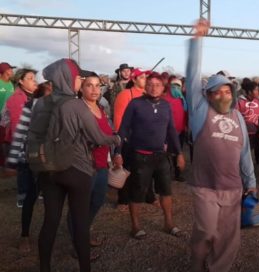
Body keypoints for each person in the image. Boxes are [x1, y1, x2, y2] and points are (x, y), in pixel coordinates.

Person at [37, 58, 120, 272]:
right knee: (81, 221)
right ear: (67, 78)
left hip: (48, 170)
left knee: (50, 221)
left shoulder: (41, 103)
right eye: (79, 77)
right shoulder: (75, 105)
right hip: (76, 169)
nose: (81, 81)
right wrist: (117, 138)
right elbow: (98, 137)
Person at [186, 19, 256, 272]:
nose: (224, 94)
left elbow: (245, 153)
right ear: (208, 95)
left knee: (228, 234)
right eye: (218, 91)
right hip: (205, 186)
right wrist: (197, 41)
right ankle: (199, 255)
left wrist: (250, 182)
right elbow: (192, 76)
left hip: (232, 187)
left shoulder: (238, 117)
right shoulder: (201, 112)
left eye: (228, 90)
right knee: (206, 229)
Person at [118, 72, 186, 239]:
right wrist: (117, 152)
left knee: (166, 191)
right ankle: (135, 226)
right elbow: (123, 129)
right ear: (145, 86)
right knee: (137, 193)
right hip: (140, 157)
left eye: (157, 85)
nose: (153, 87)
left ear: (163, 88)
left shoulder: (166, 105)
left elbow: (171, 130)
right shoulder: (135, 104)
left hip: (161, 156)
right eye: (150, 84)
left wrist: (179, 153)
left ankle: (169, 223)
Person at [67, 74, 122, 256]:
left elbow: (109, 132)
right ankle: (78, 242)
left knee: (97, 201)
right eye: (89, 85)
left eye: (97, 85)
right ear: (81, 89)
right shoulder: (77, 109)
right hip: (83, 166)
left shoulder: (101, 109)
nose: (94, 90)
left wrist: (115, 153)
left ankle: (83, 232)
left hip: (101, 165)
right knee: (79, 206)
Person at [5, 69, 39, 252]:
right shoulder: (19, 100)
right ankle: (24, 235)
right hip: (27, 156)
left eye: (35, 79)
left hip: (42, 157)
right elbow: (20, 131)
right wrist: (12, 161)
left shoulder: (36, 100)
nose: (35, 82)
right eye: (30, 79)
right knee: (29, 196)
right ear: (20, 82)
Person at [113, 68, 149, 211]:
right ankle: (123, 199)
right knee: (126, 170)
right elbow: (118, 118)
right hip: (128, 139)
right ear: (134, 79)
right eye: (142, 77)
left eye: (145, 77)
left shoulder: (147, 95)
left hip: (144, 139)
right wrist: (121, 138)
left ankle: (146, 196)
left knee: (143, 170)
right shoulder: (125, 94)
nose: (145, 80)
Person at [164, 77, 188, 182]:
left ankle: (177, 174)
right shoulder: (165, 99)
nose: (176, 88)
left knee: (178, 152)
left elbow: (185, 114)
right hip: (168, 131)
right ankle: (167, 173)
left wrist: (186, 126)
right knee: (168, 153)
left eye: (178, 86)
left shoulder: (182, 99)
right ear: (170, 86)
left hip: (181, 130)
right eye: (174, 85)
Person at [236, 80, 259, 157]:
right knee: (242, 153)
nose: (258, 92)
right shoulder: (239, 102)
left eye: (258, 89)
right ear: (250, 92)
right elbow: (236, 116)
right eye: (256, 90)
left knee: (250, 153)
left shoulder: (258, 102)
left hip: (255, 133)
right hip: (242, 133)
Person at [0, 62, 16, 167]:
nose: (12, 71)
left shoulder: (10, 84)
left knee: (6, 140)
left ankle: (6, 164)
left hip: (8, 117)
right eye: (10, 69)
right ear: (4, 71)